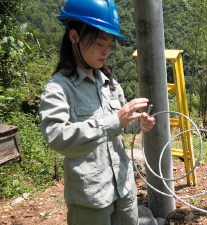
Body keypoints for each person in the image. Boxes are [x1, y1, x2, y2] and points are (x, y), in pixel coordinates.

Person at [39, 0, 155, 224]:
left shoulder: (109, 83)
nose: (106, 51)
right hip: (90, 199)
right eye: (101, 43)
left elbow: (121, 124)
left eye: (110, 45)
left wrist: (138, 122)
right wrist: (114, 121)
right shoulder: (59, 88)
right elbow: (56, 137)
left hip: (124, 190)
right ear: (75, 37)